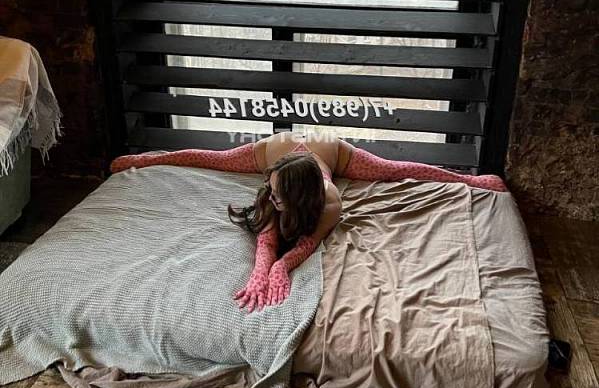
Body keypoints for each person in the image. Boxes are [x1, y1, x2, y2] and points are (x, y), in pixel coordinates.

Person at [109, 131, 508, 312]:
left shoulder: (330, 201)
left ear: (301, 199)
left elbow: (308, 243)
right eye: (270, 190)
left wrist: (283, 267)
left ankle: (469, 179)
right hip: (280, 147)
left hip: (327, 148)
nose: (272, 199)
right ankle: (146, 158)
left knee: (394, 169)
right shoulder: (273, 180)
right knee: (212, 158)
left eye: (279, 196)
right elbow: (267, 237)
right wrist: (260, 273)